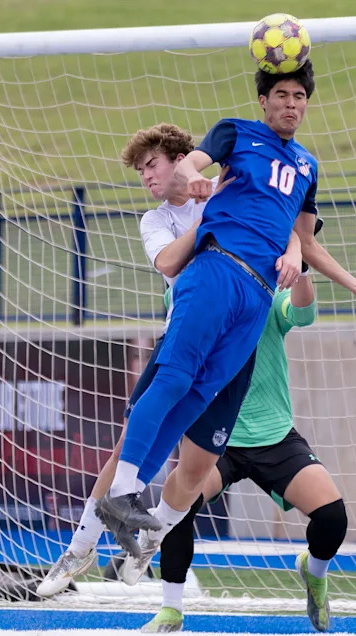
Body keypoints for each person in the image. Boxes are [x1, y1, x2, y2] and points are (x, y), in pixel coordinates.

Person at [96, 60, 356, 577]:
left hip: (256, 303)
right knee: (174, 384)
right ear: (264, 100)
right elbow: (190, 169)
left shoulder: (306, 166)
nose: (291, 104)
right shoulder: (235, 136)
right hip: (215, 275)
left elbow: (304, 242)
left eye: (299, 96)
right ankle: (119, 504)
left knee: (197, 401)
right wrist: (197, 181)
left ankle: (133, 515)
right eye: (282, 94)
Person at [37, 122, 294, 594]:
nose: (147, 177)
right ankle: (79, 548)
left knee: (197, 466)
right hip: (186, 331)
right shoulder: (155, 220)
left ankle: (149, 540)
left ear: (182, 160)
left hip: (239, 339)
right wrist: (211, 218)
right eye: (140, 171)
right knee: (128, 446)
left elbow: (290, 223)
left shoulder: (228, 186)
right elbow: (170, 262)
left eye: (152, 165)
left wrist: (293, 249)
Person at [134, 220, 346, 634]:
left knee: (333, 518)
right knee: (179, 506)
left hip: (272, 434)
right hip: (214, 435)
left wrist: (301, 260)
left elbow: (303, 312)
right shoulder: (194, 290)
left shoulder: (268, 292)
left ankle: (314, 571)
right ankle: (171, 609)